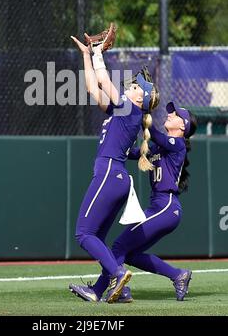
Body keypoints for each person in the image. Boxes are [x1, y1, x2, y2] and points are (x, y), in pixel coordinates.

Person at [69, 36, 159, 303]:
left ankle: (118, 275)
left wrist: (98, 54)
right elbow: (93, 89)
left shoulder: (129, 108)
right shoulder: (123, 111)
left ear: (139, 95)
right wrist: (87, 56)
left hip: (109, 174)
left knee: (84, 234)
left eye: (133, 86)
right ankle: (102, 291)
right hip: (116, 179)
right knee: (96, 236)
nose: (129, 86)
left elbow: (105, 82)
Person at [89, 101, 197, 303]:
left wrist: (140, 113)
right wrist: (113, 141)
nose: (170, 115)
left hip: (166, 206)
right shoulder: (158, 146)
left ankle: (101, 289)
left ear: (182, 126)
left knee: (119, 245)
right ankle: (178, 275)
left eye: (174, 115)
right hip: (160, 207)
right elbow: (133, 153)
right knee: (128, 253)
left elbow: (154, 134)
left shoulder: (178, 144)